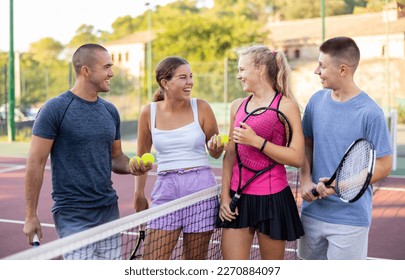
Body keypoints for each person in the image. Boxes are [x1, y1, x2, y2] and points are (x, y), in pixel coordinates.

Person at [23, 43, 151, 260]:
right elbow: (35, 162)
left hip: (109, 210)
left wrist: (132, 166)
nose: (112, 72)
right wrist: (30, 215)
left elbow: (116, 158)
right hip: (73, 214)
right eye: (107, 67)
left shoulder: (110, 111)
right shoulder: (55, 109)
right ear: (86, 71)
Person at [298, 36, 393, 260]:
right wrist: (305, 181)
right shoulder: (316, 101)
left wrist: (339, 186)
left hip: (350, 220)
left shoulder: (371, 113)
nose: (316, 71)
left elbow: (383, 165)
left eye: (322, 65)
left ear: (342, 69)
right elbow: (306, 144)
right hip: (312, 214)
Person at [217, 45, 305, 260]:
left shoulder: (286, 105)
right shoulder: (237, 106)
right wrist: (224, 196)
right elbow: (230, 155)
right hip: (238, 200)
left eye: (242, 70)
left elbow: (297, 157)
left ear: (261, 70)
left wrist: (257, 142)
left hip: (273, 199)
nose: (238, 76)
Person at [133, 56, 224, 260]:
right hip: (166, 188)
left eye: (191, 76)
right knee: (152, 262)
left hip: (201, 189)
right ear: (165, 83)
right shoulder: (148, 112)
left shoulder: (201, 107)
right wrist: (139, 193)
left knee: (194, 263)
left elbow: (215, 153)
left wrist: (217, 148)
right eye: (183, 77)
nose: (190, 82)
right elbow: (141, 158)